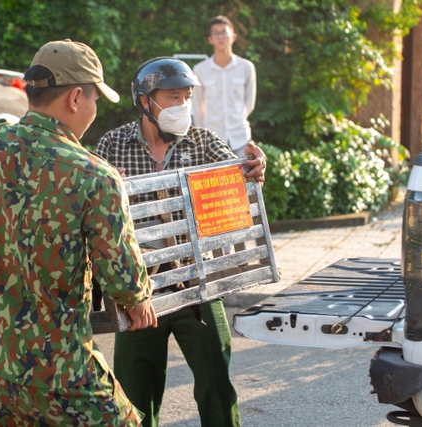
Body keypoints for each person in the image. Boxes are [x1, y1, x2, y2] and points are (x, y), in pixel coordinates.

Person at [0, 39, 157, 427]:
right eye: (95, 99)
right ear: (76, 98)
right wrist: (139, 302)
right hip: (62, 378)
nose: (94, 108)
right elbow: (124, 282)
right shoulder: (94, 175)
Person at [95, 57, 267, 427]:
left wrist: (254, 168)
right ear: (145, 101)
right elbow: (92, 208)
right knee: (136, 394)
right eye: (173, 98)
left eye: (187, 98)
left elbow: (237, 176)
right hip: (140, 293)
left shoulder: (204, 141)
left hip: (198, 286)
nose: (182, 106)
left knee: (216, 385)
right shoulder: (112, 145)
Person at [192, 15, 257, 158]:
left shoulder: (246, 67)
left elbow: (249, 103)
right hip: (212, 141)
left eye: (224, 32)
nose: (220, 36)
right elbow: (197, 107)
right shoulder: (200, 70)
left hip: (241, 138)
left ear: (233, 36)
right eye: (216, 33)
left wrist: (237, 120)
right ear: (210, 39)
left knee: (246, 179)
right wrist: (202, 137)